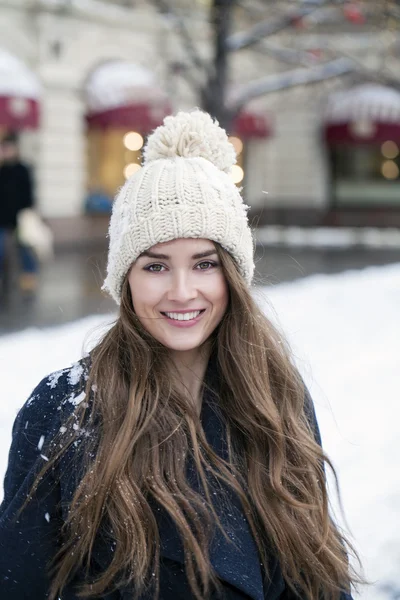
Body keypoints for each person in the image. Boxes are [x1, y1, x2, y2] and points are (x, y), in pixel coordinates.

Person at [0, 111, 360, 599]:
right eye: (156, 266)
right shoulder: (65, 411)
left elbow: (317, 577)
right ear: (125, 278)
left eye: (205, 263)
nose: (182, 291)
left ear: (233, 275)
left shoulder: (277, 397)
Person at [0, 131, 38, 294]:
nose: (6, 151)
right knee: (1, 249)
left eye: (9, 148)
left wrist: (28, 211)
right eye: (4, 148)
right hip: (2, 217)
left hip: (20, 217)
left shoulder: (22, 168)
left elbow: (28, 193)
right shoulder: (2, 169)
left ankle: (29, 275)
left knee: (24, 247)